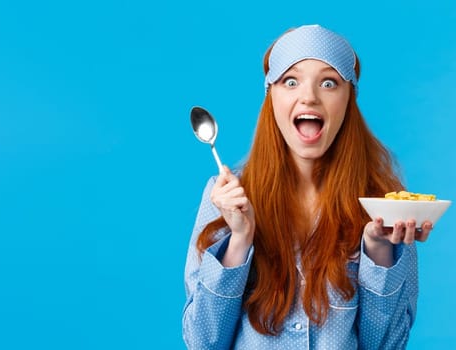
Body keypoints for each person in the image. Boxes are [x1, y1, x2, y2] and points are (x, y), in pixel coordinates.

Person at [182, 24, 434, 349]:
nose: (309, 97)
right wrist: (240, 240)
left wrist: (379, 250)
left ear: (349, 100)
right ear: (271, 96)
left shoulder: (383, 205)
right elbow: (202, 342)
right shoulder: (226, 197)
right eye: (291, 81)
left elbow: (386, 344)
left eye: (329, 83)